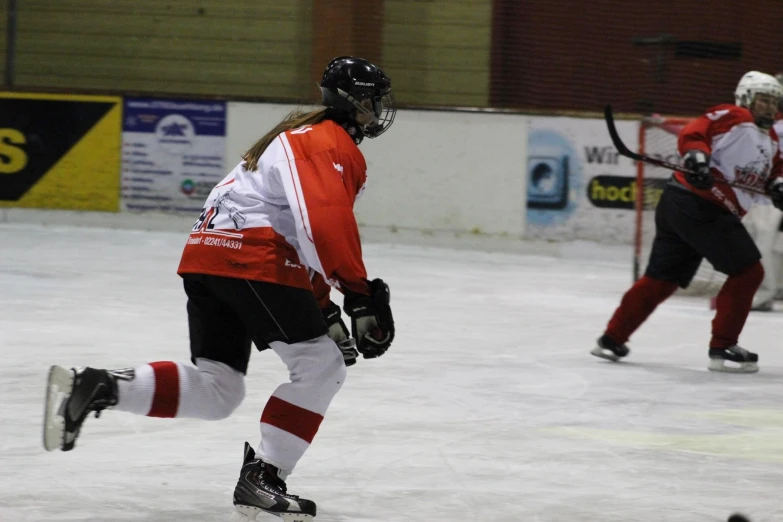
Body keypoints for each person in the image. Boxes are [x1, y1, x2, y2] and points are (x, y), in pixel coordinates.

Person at [42, 56, 397, 521]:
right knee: (321, 365)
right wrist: (358, 294)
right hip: (250, 257)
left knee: (218, 390)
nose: (378, 112)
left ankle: (100, 386)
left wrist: (323, 307)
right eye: (372, 102)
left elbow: (295, 227)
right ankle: (263, 477)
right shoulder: (328, 141)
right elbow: (322, 222)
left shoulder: (293, 136)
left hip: (208, 255)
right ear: (353, 103)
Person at [592, 70, 783, 373]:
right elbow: (697, 131)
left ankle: (611, 338)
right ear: (746, 99)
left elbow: (771, 174)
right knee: (748, 273)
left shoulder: (771, 139)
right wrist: (697, 158)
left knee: (661, 279)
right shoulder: (734, 115)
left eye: (775, 102)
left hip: (682, 204)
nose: (769, 108)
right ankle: (723, 347)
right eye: (763, 101)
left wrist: (777, 187)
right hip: (700, 205)